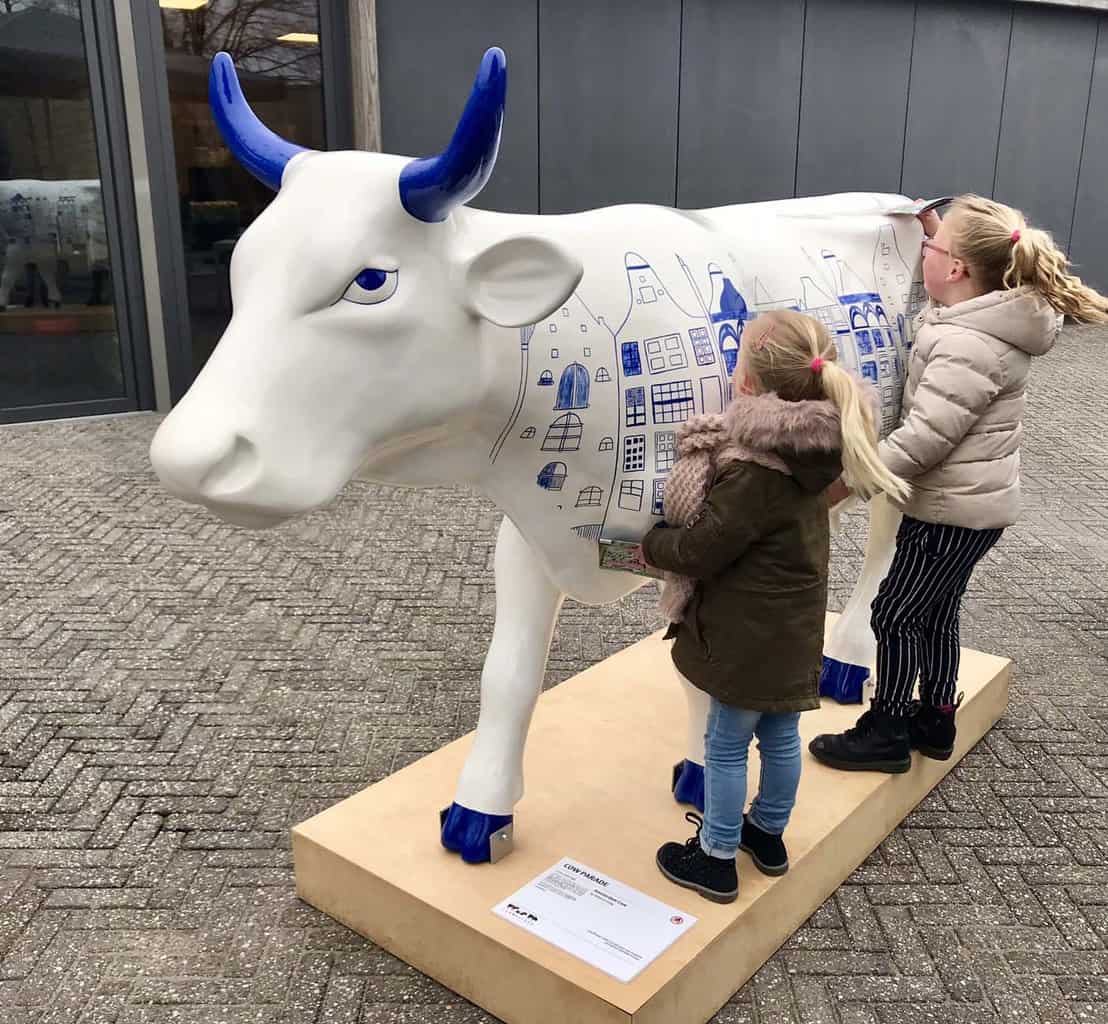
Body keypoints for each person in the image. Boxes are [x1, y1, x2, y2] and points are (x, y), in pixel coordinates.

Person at [811, 195, 1108, 774]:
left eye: (932, 247)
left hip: (949, 511)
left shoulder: (967, 344)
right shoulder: (977, 315)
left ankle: (887, 730)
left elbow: (925, 440)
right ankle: (937, 716)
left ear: (956, 270)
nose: (923, 251)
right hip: (976, 507)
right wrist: (934, 232)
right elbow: (941, 310)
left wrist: (847, 483)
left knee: (895, 613)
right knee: (939, 610)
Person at [640, 309, 909, 903]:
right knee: (782, 738)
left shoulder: (754, 471)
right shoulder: (819, 452)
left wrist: (650, 544)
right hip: (792, 631)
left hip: (746, 637)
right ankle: (767, 834)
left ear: (748, 385)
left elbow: (702, 548)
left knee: (727, 744)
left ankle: (713, 857)